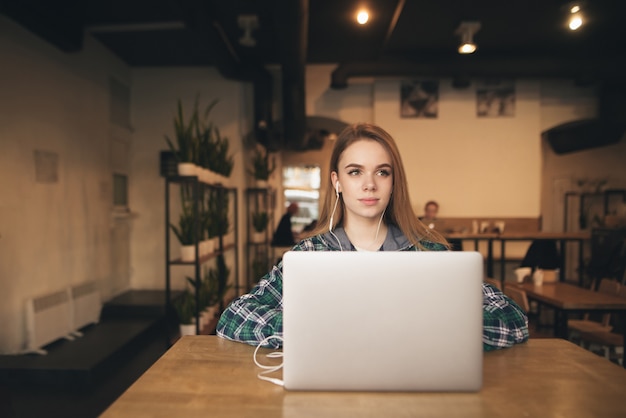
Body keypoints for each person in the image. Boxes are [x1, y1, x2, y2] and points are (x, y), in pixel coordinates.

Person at [217, 123, 528, 351]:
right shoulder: (309, 255)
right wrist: (313, 331)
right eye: (355, 172)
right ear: (337, 182)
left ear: (394, 182)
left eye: (382, 172)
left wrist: (428, 329)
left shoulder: (428, 254)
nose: (369, 184)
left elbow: (513, 320)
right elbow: (233, 317)